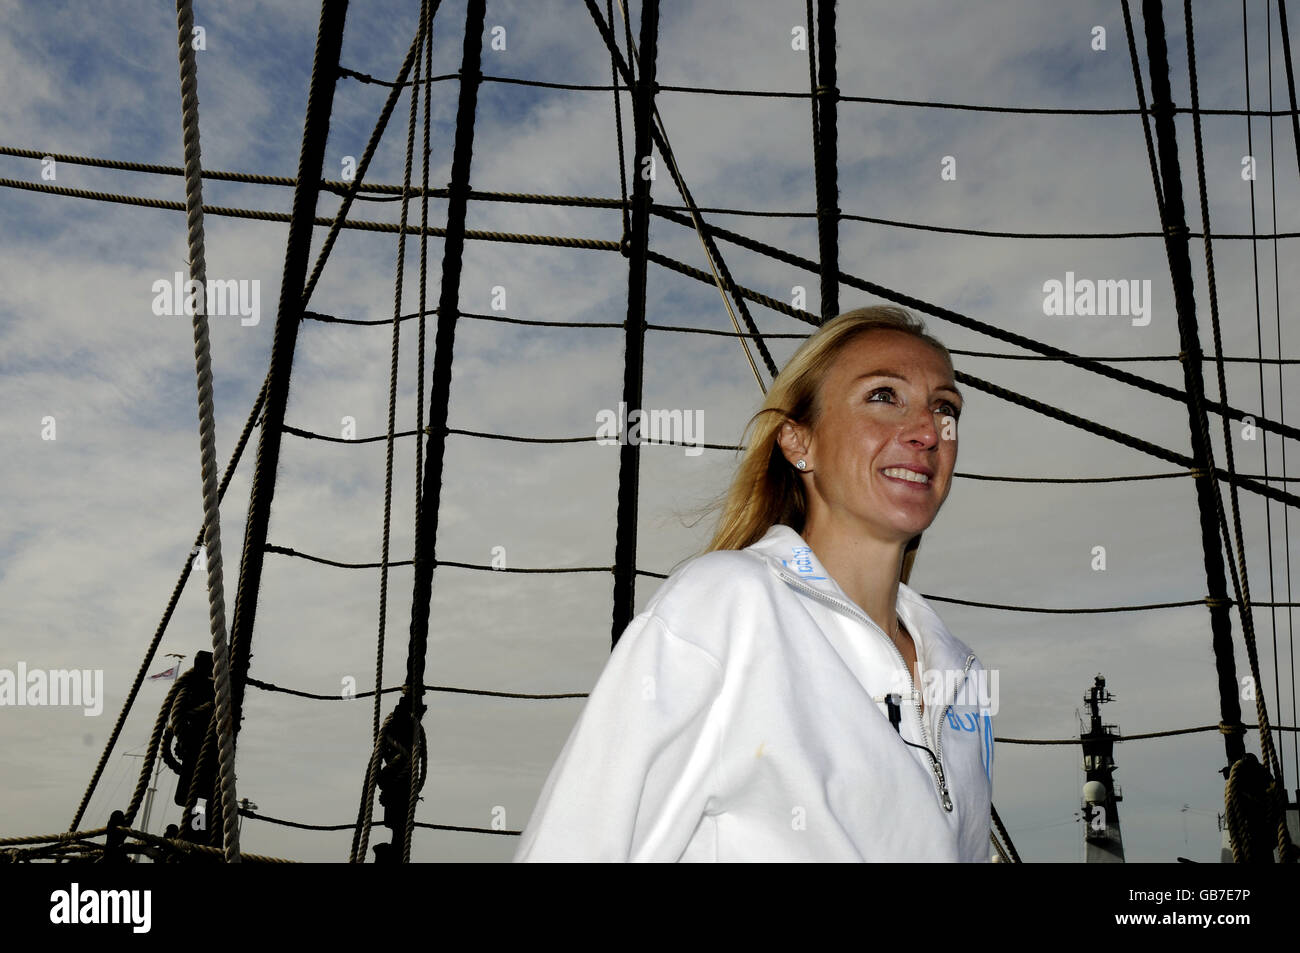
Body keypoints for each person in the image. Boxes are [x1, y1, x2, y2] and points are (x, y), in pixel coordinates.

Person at [513, 305, 995, 862]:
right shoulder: (728, 607)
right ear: (797, 442)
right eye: (884, 396)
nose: (927, 432)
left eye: (945, 409)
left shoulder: (960, 673)